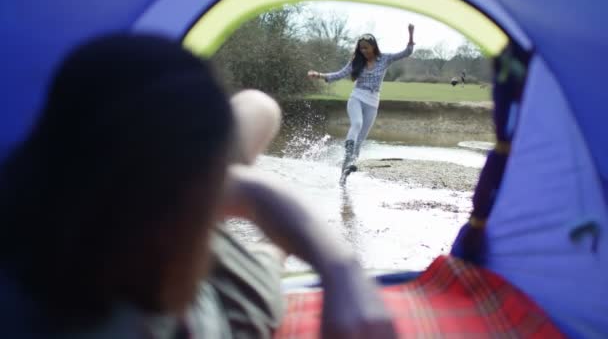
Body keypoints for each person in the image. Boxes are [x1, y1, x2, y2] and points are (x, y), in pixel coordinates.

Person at [0, 34, 396, 338]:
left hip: (125, 237)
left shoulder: (68, 183)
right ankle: (270, 248)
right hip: (209, 295)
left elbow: (249, 192)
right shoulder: (206, 317)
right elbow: (253, 196)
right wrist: (339, 269)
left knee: (259, 106)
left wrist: (339, 270)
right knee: (266, 254)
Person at [308, 24, 416, 185]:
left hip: (373, 102)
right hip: (357, 97)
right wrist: (320, 75)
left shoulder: (385, 59)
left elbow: (406, 52)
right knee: (356, 124)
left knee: (361, 140)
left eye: (366, 48)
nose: (363, 51)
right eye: (361, 49)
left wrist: (411, 34)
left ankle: (344, 174)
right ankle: (348, 150)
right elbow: (339, 74)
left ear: (373, 47)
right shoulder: (356, 62)